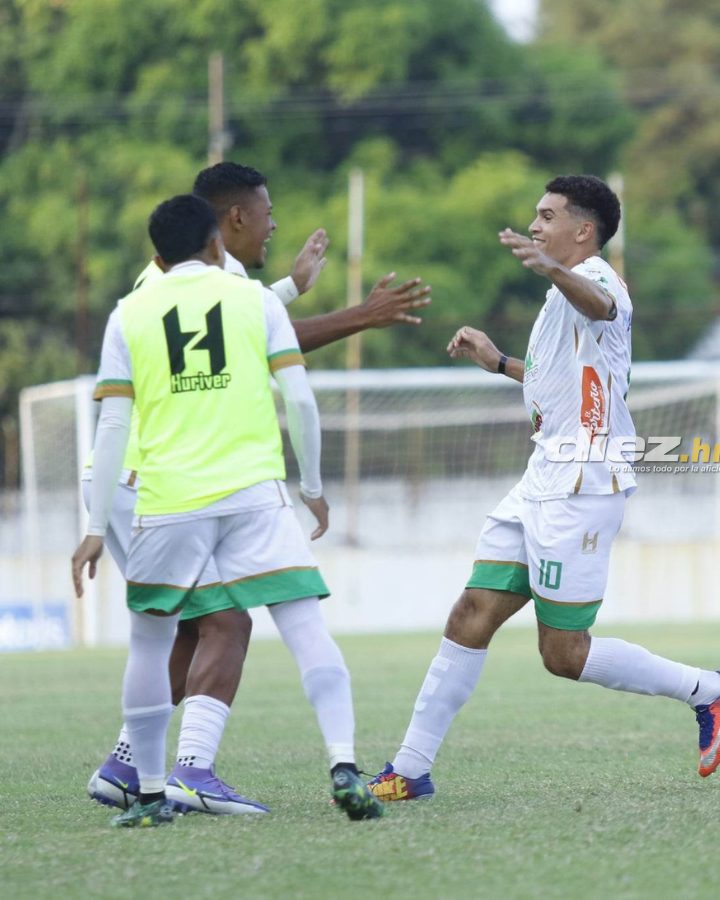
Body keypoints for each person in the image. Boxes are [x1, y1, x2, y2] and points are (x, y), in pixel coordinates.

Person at [364, 175, 720, 804]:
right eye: (535, 218)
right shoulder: (560, 296)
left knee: (563, 654)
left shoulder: (598, 280)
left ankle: (709, 690)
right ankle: (410, 767)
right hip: (542, 475)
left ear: (583, 231)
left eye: (547, 217)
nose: (535, 225)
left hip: (585, 481)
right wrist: (498, 363)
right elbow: (555, 382)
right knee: (470, 615)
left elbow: (602, 309)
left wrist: (549, 269)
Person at [84, 162, 430, 815]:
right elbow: (247, 339)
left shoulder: (177, 285)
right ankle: (190, 773)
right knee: (227, 620)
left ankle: (128, 768)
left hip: (148, 481)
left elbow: (227, 322)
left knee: (193, 628)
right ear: (227, 225)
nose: (274, 226)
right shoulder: (207, 291)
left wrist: (293, 287)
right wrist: (359, 314)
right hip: (152, 480)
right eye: (267, 214)